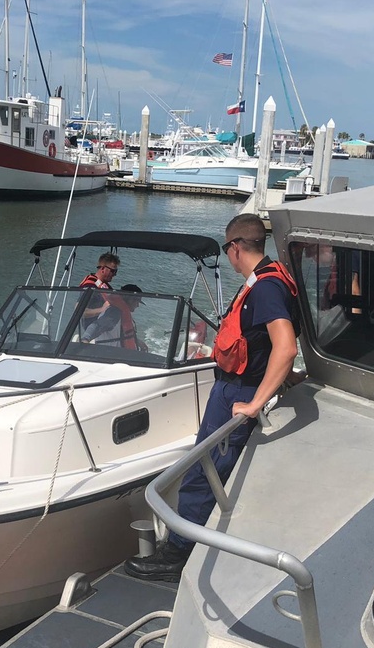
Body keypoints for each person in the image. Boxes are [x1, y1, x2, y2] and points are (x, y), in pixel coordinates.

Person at [125, 213, 300, 581]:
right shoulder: (273, 278)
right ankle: (188, 542)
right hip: (238, 386)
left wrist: (254, 403)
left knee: (203, 470)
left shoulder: (266, 288)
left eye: (227, 249)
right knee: (212, 467)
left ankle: (178, 554)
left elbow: (285, 347)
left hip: (239, 391)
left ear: (235, 248)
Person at [81, 284, 149, 351]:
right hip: (110, 356)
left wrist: (137, 341)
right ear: (130, 299)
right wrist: (85, 339)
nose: (138, 305)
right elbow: (97, 326)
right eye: (137, 301)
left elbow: (123, 334)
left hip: (120, 354)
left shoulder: (122, 312)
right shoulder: (114, 313)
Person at [79, 253, 120, 332]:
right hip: (94, 331)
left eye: (116, 271)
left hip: (106, 328)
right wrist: (102, 310)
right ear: (103, 269)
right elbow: (80, 311)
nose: (115, 274)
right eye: (113, 271)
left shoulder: (104, 285)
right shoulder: (90, 286)